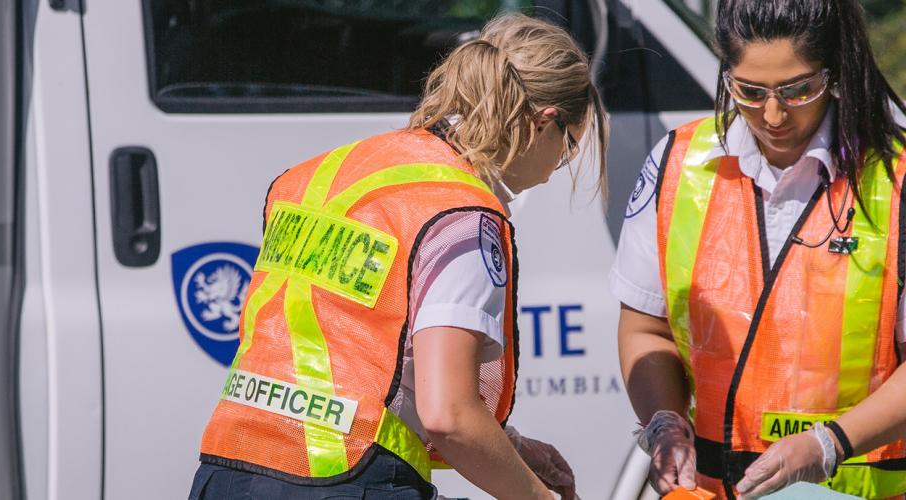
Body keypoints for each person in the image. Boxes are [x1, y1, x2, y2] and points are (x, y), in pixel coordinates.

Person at [189, 14, 607, 500]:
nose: (560, 168)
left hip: (227, 470)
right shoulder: (460, 216)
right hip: (346, 480)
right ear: (542, 123)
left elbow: (357, 354)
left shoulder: (337, 172)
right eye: (570, 147)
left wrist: (509, 446)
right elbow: (449, 415)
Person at [614, 0, 906, 497]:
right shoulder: (676, 164)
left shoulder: (894, 179)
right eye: (749, 91)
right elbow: (646, 327)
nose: (773, 114)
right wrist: (663, 423)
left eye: (798, 90)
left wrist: (828, 444)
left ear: (835, 71)